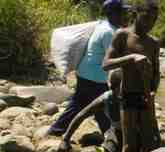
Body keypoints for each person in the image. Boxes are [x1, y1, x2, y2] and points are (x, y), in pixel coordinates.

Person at [46, 0, 128, 137]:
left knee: (82, 105)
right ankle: (111, 136)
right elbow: (113, 58)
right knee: (100, 107)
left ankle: (56, 130)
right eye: (121, 12)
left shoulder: (103, 25)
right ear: (112, 14)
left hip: (87, 73)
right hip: (95, 77)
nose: (124, 15)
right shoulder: (109, 32)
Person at [103, 0, 161, 152]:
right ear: (135, 15)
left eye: (154, 20)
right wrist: (131, 58)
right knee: (129, 145)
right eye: (146, 18)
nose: (150, 23)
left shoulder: (153, 43)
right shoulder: (122, 35)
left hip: (145, 96)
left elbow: (156, 72)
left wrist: (153, 91)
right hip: (127, 94)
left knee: (149, 142)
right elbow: (106, 64)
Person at [58, 70, 124, 152]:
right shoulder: (107, 98)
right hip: (116, 134)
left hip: (136, 135)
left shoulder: (136, 98)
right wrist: (66, 139)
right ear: (114, 87)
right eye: (123, 87)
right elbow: (81, 115)